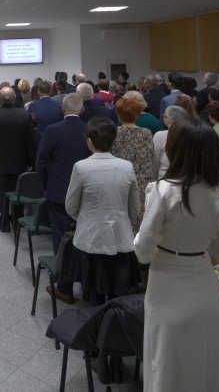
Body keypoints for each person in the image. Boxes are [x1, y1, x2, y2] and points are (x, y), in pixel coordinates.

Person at [134, 119, 219, 392]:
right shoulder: (218, 189)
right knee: (210, 352)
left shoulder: (163, 190)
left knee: (167, 353)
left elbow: (143, 249)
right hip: (204, 276)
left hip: (167, 277)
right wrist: (200, 244)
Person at [66, 117, 140, 304]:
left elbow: (71, 206)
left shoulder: (81, 167)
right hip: (121, 237)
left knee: (94, 296)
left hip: (91, 239)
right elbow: (134, 208)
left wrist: (87, 218)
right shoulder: (127, 167)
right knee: (119, 295)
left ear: (89, 141)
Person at [34, 94, 87, 303]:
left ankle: (64, 287)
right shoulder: (89, 130)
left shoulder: (52, 131)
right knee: (86, 236)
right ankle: (87, 284)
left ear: (63, 109)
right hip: (86, 193)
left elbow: (41, 163)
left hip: (59, 192)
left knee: (62, 238)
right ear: (81, 110)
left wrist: (47, 187)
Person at [0, 87, 36, 232]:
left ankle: (4, 221)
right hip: (20, 162)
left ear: (0, 99)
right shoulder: (25, 116)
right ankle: (17, 221)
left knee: (1, 192)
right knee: (18, 192)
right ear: (14, 98)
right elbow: (30, 143)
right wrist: (30, 162)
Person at [110, 91, 154, 233]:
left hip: (119, 182)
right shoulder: (146, 133)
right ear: (137, 115)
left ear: (118, 114)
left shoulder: (114, 133)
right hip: (141, 183)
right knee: (138, 226)